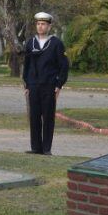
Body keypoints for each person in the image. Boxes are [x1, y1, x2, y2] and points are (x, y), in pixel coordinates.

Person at [23, 12, 69, 155]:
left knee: (48, 117)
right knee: (34, 116)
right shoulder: (31, 43)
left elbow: (63, 65)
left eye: (43, 24)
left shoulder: (56, 43)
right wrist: (26, 84)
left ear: (49, 26)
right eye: (38, 24)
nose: (40, 26)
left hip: (49, 85)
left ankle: (46, 148)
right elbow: (27, 64)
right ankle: (35, 148)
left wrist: (59, 85)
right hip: (33, 85)